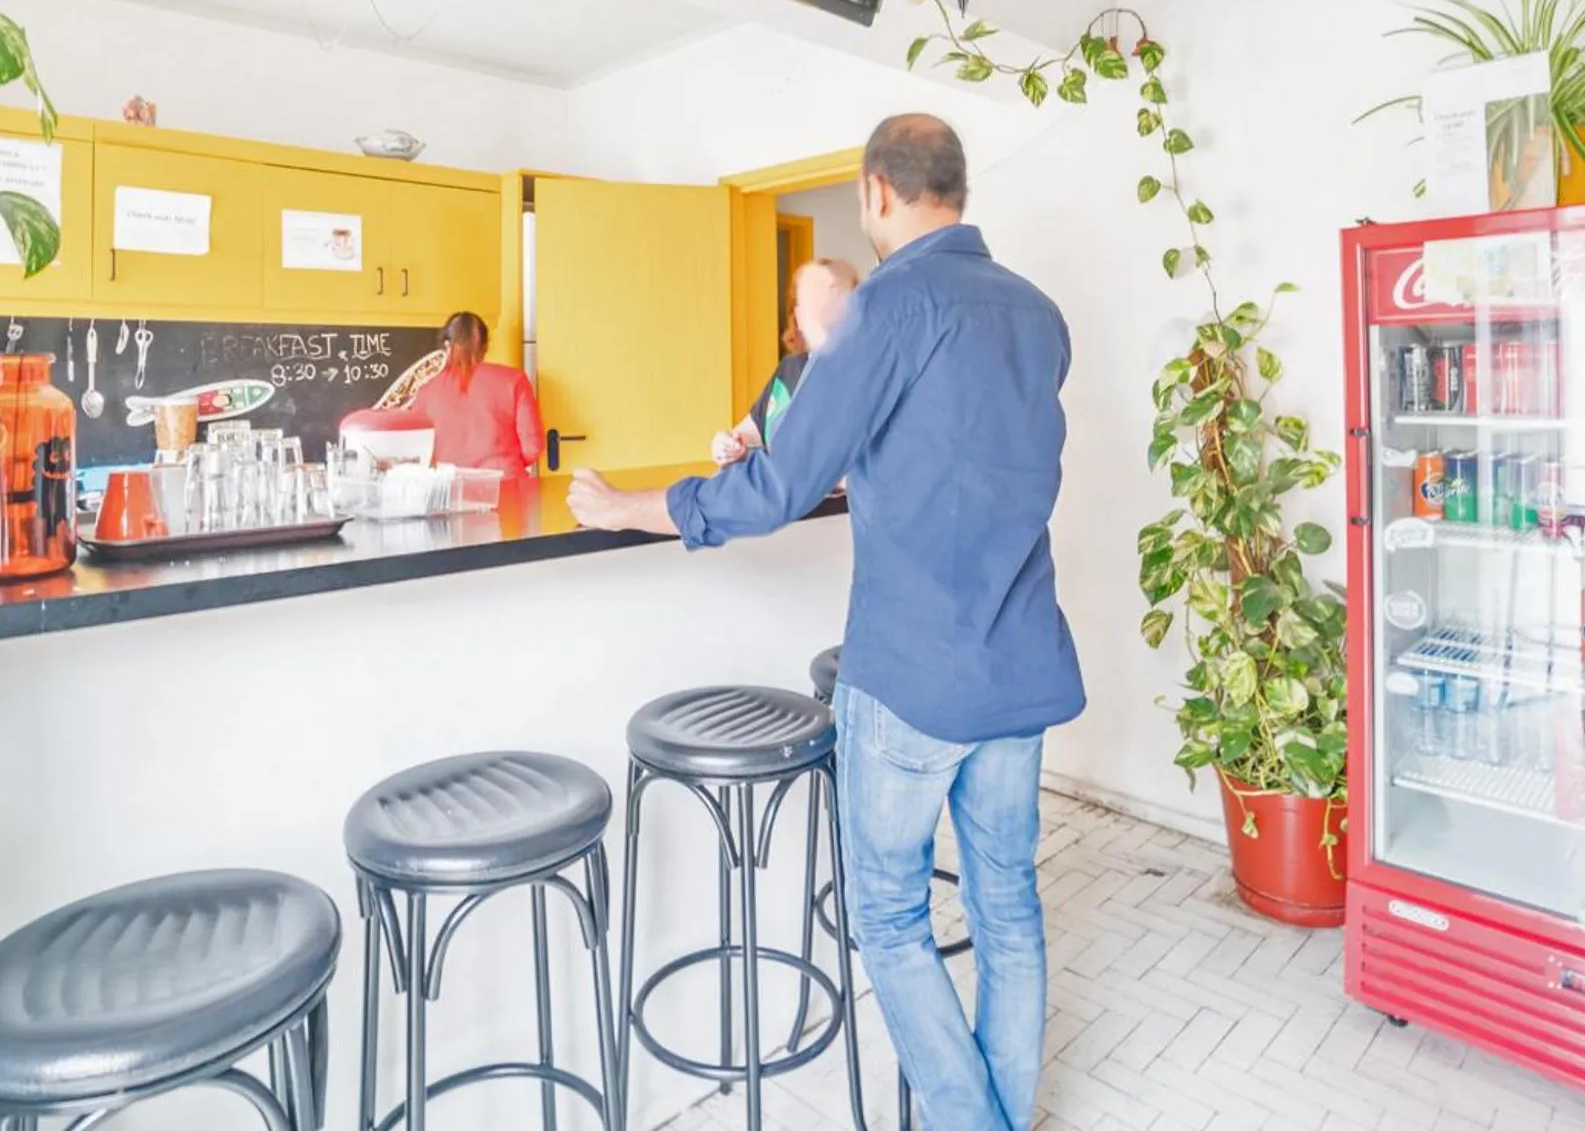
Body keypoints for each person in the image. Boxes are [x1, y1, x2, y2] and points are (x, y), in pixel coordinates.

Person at [571, 115, 1080, 1131]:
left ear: (877, 193)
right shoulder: (1036, 312)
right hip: (1020, 660)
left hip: (913, 675)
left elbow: (779, 487)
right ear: (954, 188)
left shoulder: (889, 306)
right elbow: (956, 455)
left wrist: (628, 505)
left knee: (890, 919)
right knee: (1010, 911)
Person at [711, 256, 859, 466]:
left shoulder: (870, 374)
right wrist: (729, 445)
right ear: (799, 317)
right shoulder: (789, 369)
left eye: (834, 295)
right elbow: (751, 432)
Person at [405, 312, 542, 475]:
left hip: (451, 491)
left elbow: (417, 452)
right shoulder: (514, 380)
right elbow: (532, 448)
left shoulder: (426, 391)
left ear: (445, 347)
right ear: (484, 347)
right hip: (506, 488)